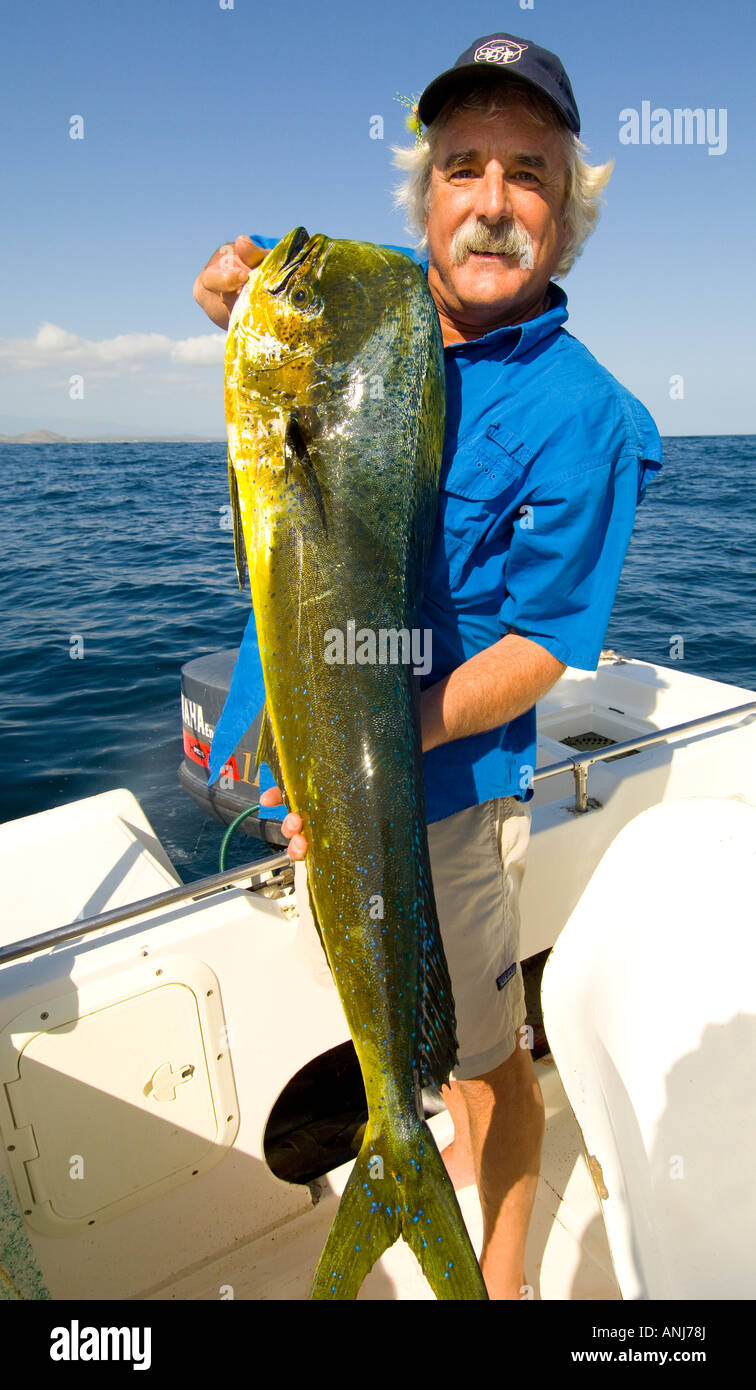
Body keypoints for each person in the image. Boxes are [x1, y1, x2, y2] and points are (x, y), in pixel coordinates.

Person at [193, 32, 663, 1300]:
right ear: (426, 196)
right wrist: (232, 296)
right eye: (464, 166)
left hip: (444, 802)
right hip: (308, 769)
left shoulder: (591, 417)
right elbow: (252, 311)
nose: (493, 201)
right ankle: (432, 1137)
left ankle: (496, 1277)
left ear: (569, 218)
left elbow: (547, 643)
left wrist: (374, 747)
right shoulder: (372, 306)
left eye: (530, 172)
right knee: (382, 1010)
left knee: (479, 1048)